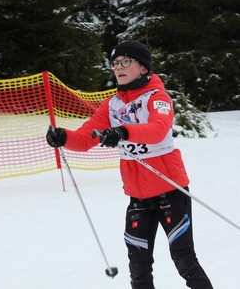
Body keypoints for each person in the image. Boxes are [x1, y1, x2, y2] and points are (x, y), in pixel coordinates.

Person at [46, 40, 213, 289]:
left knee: (184, 259)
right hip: (138, 197)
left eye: (126, 61)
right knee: (138, 268)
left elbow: (158, 130)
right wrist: (64, 137)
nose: (119, 67)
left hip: (170, 190)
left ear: (143, 67)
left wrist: (123, 132)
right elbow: (85, 137)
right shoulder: (112, 105)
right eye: (115, 63)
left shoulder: (157, 98)